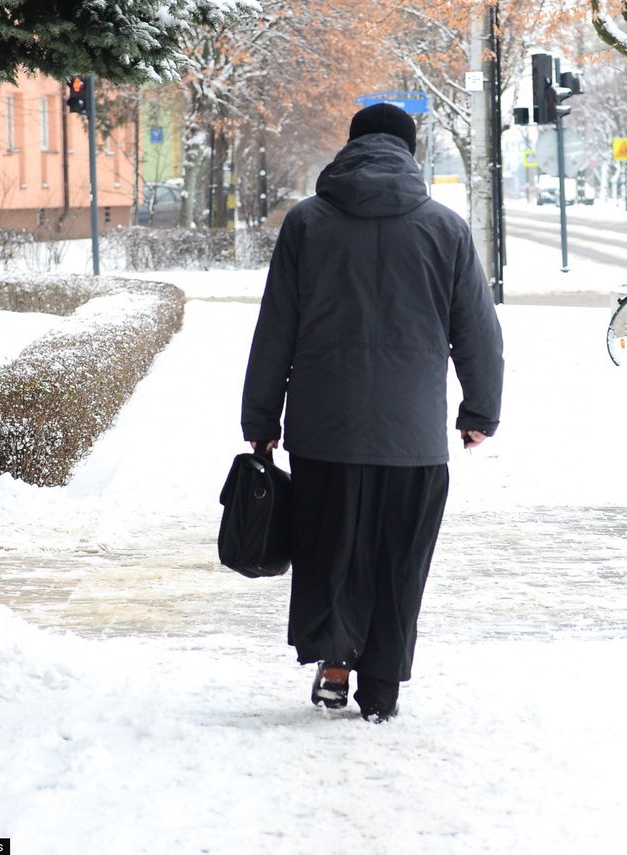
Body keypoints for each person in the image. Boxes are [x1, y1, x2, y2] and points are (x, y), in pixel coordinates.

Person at [240, 102, 504, 722]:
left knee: (331, 551)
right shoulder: (446, 229)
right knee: (399, 558)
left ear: (350, 146)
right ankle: (380, 686)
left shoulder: (307, 223)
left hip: (323, 430)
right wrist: (480, 410)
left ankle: (335, 665)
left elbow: (275, 327)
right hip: (411, 436)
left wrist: (260, 421)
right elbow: (478, 333)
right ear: (410, 153)